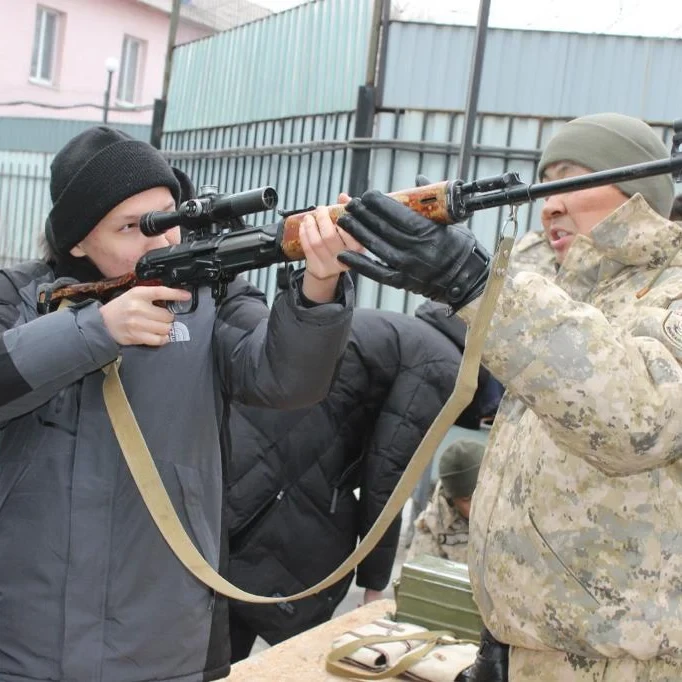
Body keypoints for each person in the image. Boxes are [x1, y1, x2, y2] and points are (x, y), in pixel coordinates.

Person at [0, 126, 364, 682]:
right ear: (76, 242)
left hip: (164, 641)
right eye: (131, 227)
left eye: (166, 219)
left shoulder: (212, 296)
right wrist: (96, 330)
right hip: (21, 642)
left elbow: (284, 380)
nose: (159, 241)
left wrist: (320, 284)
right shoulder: (20, 298)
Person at [336, 112, 682, 680]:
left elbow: (639, 420)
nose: (549, 204)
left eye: (572, 180)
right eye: (546, 184)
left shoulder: (669, 286)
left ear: (638, 190)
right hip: (530, 649)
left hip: (626, 662)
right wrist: (503, 632)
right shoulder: (555, 288)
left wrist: (478, 285)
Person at [219, 304, 462, 661]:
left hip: (251, 448)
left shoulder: (402, 331)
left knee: (229, 599)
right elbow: (388, 476)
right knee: (288, 597)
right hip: (293, 470)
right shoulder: (443, 364)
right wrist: (375, 583)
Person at [406, 439, 484, 565]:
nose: (476, 506)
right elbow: (419, 573)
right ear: (451, 498)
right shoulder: (432, 527)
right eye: (467, 499)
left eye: (481, 496)